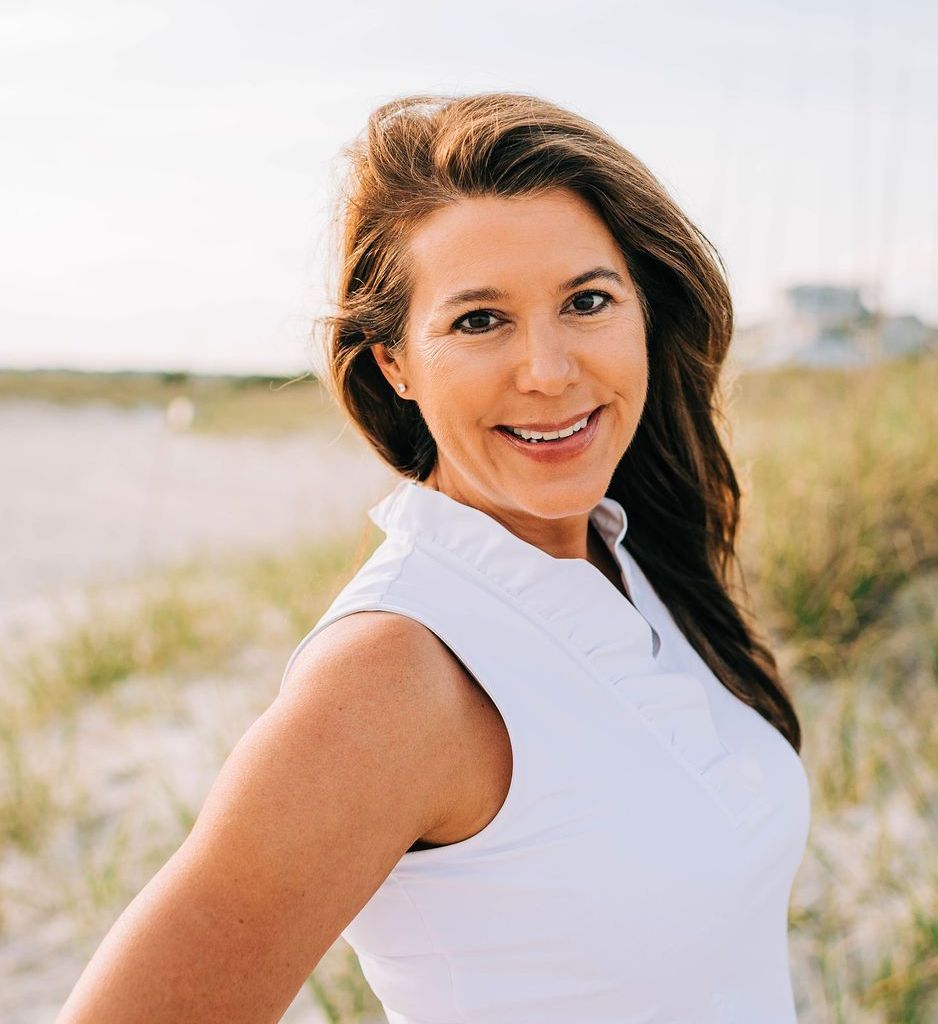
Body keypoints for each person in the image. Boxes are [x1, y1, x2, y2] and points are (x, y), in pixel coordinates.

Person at [57, 91, 811, 1024]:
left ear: (642, 314)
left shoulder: (630, 553)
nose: (547, 369)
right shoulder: (391, 675)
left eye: (587, 301)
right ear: (395, 365)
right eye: (479, 321)